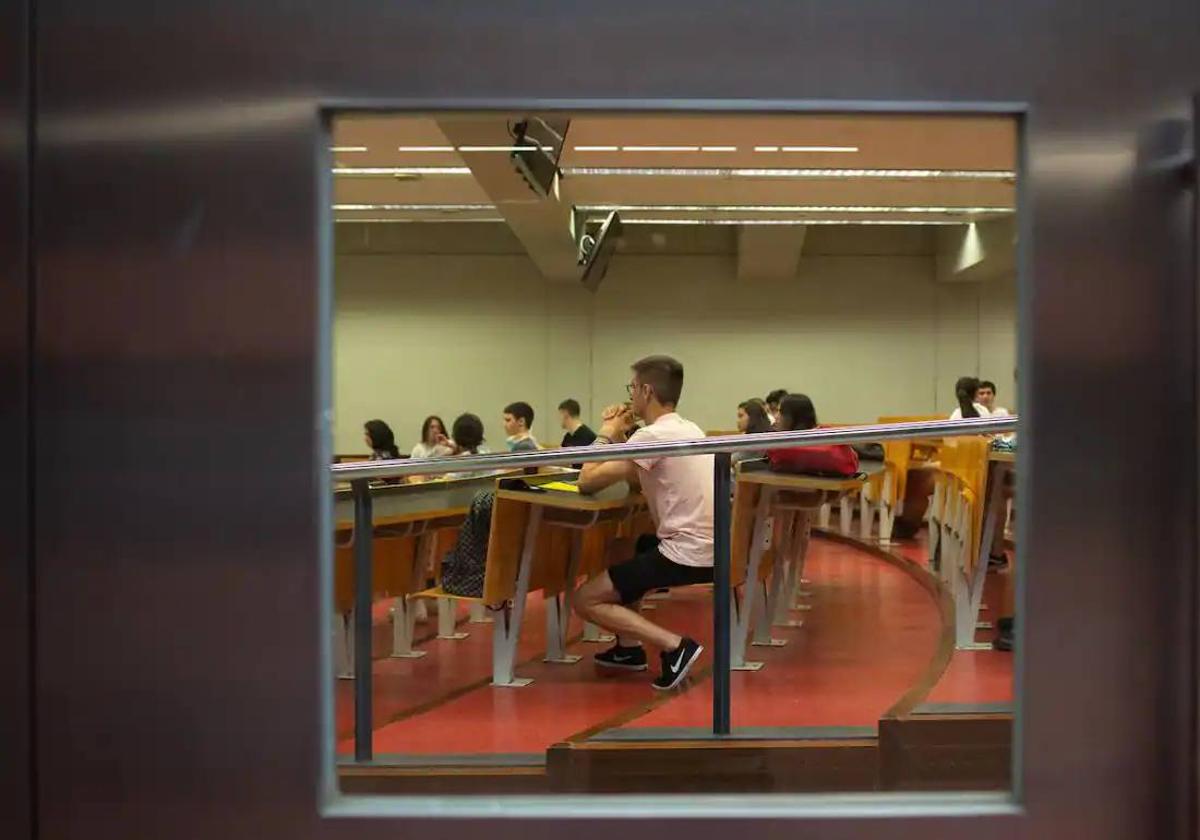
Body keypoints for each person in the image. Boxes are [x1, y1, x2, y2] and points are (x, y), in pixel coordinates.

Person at [574, 355, 713, 691]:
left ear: (646, 391)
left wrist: (607, 433)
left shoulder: (651, 437)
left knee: (585, 600)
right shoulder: (690, 429)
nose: (630, 395)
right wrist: (624, 437)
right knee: (622, 549)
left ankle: (675, 646)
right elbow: (638, 476)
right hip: (712, 546)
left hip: (686, 554)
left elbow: (586, 480)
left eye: (632, 388)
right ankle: (628, 647)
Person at [766, 394, 858, 475]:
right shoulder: (826, 434)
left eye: (780, 412)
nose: (776, 417)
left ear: (792, 416)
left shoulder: (781, 448)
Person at [733, 398, 772, 465]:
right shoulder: (751, 436)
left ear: (752, 417)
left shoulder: (758, 440)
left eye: (741, 416)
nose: (738, 421)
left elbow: (733, 459)